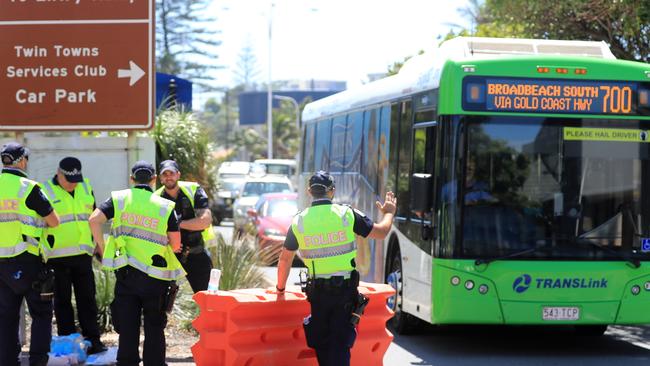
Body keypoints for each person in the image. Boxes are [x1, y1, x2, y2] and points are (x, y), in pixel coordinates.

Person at [275, 171, 396, 366]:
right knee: (340, 344)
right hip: (344, 292)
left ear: (309, 192)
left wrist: (280, 289)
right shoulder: (346, 214)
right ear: (332, 191)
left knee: (322, 344)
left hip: (318, 294)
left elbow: (285, 259)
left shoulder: (299, 221)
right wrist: (389, 212)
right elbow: (381, 233)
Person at [88, 160, 185, 366]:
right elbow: (176, 244)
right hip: (156, 276)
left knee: (128, 324)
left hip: (127, 274)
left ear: (132, 179)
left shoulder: (120, 199)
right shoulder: (165, 207)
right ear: (153, 180)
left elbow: (94, 219)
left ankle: (127, 362)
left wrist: (103, 249)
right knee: (154, 325)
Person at [0, 142, 60, 366]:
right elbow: (54, 221)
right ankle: (36, 362)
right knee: (41, 313)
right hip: (28, 261)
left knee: (6, 317)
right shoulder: (28, 187)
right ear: (22, 161)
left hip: (1, 264)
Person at [40, 157, 106, 354]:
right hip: (56, 257)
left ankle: (93, 340)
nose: (73, 183)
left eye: (76, 178)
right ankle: (67, 342)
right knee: (62, 303)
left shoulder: (85, 187)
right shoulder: (45, 190)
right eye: (69, 179)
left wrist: (97, 245)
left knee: (88, 300)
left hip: (82, 255)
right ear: (58, 174)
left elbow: (93, 216)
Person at [154, 159, 214, 293]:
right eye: (165, 174)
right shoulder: (155, 198)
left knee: (207, 297)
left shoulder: (193, 190)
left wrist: (176, 225)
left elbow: (205, 220)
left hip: (195, 252)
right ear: (160, 178)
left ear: (178, 175)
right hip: (169, 255)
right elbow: (154, 229)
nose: (169, 176)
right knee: (160, 301)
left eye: (172, 173)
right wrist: (170, 240)